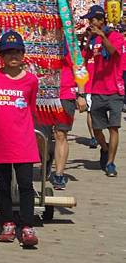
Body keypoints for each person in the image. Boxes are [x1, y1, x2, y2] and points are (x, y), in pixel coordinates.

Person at [0, 30, 39, 247]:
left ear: (23, 54)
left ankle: (27, 225)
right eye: (8, 52)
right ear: (1, 57)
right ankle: (7, 223)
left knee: (25, 185)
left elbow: (30, 109)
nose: (13, 56)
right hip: (0, 142)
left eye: (17, 52)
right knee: (2, 185)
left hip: (23, 142)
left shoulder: (31, 81)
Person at [81, 5, 124, 177]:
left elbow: (113, 51)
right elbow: (83, 59)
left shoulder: (116, 36)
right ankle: (104, 148)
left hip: (114, 89)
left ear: (101, 20)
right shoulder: (92, 39)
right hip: (97, 89)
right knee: (97, 129)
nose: (90, 23)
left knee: (114, 127)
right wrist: (87, 40)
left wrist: (102, 36)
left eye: (92, 20)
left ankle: (111, 163)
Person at [51, 49, 87, 189]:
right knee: (40, 136)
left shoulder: (70, 40)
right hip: (42, 94)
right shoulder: (41, 33)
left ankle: (59, 174)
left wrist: (81, 94)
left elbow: (80, 68)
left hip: (65, 93)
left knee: (60, 134)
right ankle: (47, 157)